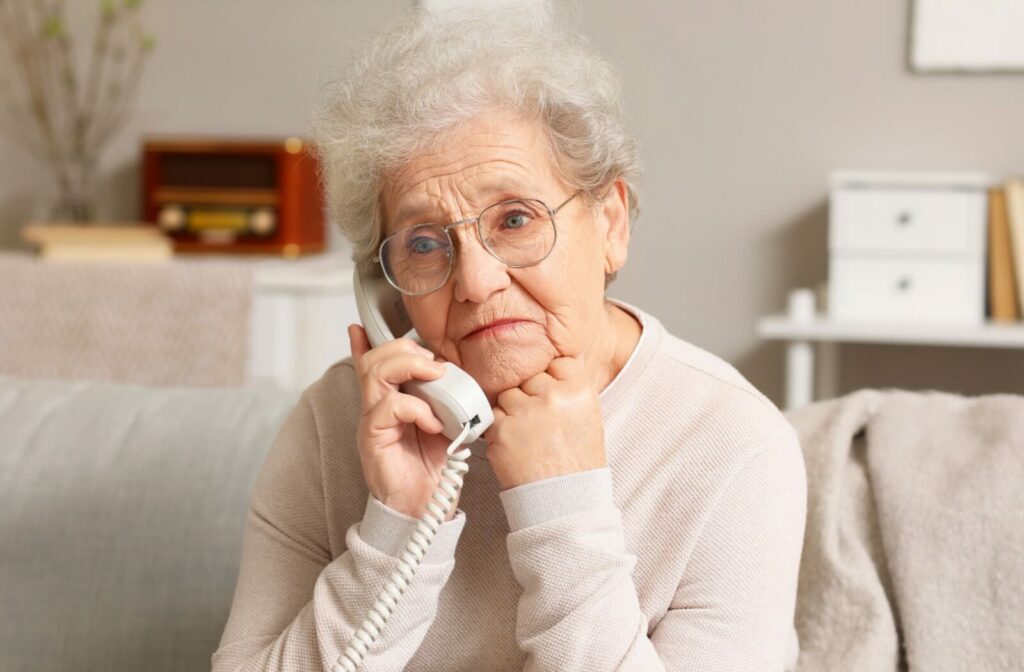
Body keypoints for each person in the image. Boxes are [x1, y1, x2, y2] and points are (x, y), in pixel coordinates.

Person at [212, 4, 806, 671]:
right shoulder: (336, 424)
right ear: (384, 285)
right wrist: (398, 526)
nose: (474, 281)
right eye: (425, 243)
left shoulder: (734, 448)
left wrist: (563, 510)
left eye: (515, 219)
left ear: (610, 223)